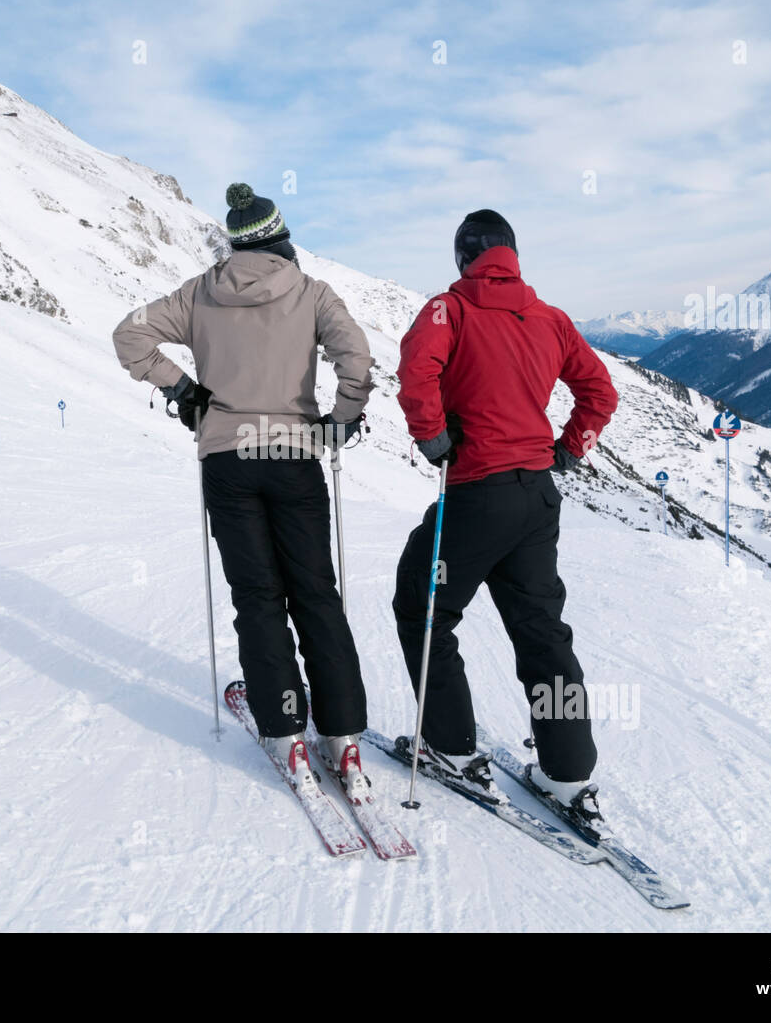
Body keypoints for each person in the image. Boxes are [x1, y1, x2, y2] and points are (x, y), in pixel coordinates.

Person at [112, 182, 376, 797]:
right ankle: (341, 734)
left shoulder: (200, 293)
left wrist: (184, 391)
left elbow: (130, 335)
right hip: (293, 456)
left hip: (228, 458)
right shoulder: (312, 293)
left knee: (257, 594)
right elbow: (355, 357)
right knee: (315, 591)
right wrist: (342, 417)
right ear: (282, 237)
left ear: (235, 242)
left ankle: (284, 728)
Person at [393, 209, 619, 828]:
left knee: (424, 607)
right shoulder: (549, 318)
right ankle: (567, 774)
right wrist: (571, 447)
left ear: (464, 258)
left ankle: (451, 748)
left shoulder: (449, 310)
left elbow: (417, 374)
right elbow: (601, 392)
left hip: (476, 493)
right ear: (513, 257)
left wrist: (433, 436)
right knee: (542, 631)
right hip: (537, 497)